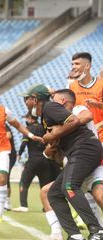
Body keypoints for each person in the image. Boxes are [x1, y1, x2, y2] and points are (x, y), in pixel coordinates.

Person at [28, 84, 103, 240]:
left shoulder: (51, 107)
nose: (28, 103)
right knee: (54, 193)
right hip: (79, 154)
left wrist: (52, 136)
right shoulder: (49, 119)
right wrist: (50, 148)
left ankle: (97, 230)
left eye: (30, 99)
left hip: (86, 149)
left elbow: (76, 119)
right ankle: (75, 235)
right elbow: (56, 152)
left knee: (70, 186)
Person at [0, 84, 42, 223]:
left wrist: (30, 134)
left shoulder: (4, 111)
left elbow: (17, 125)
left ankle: (0, 211)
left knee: (2, 178)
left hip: (1, 150)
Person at [12, 113, 60, 213]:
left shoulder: (28, 129)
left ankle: (23, 206)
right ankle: (46, 207)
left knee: (24, 182)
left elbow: (24, 143)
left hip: (33, 160)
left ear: (30, 119)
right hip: (46, 159)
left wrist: (19, 154)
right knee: (45, 185)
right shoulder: (43, 128)